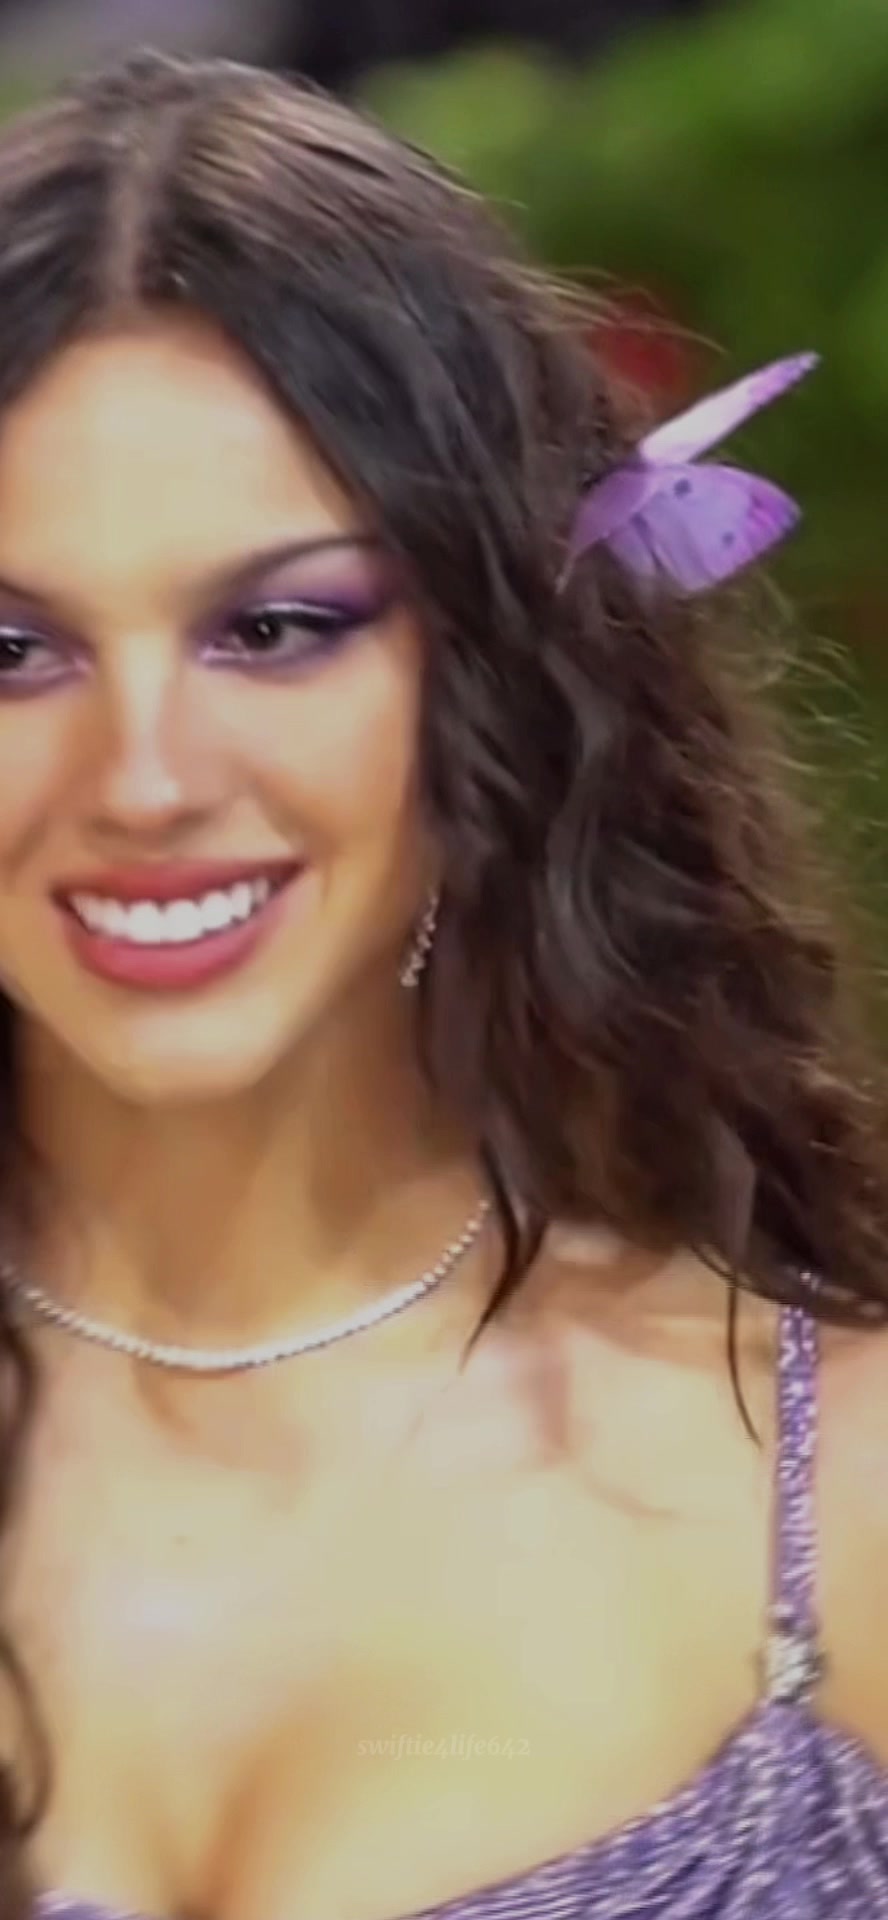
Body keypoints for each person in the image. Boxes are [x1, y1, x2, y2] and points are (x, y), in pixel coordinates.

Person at [0, 45, 884, 1920]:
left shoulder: (846, 1493)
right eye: (13, 653)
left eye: (274, 629)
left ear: (492, 680)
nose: (144, 778)